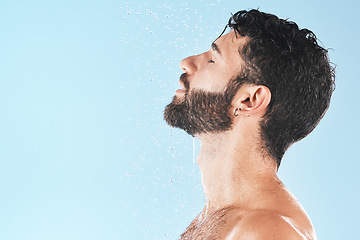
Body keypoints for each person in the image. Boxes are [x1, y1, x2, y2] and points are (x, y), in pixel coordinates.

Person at [164, 9, 335, 240]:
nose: (187, 63)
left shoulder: (267, 231)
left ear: (249, 100)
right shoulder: (221, 217)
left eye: (213, 60)